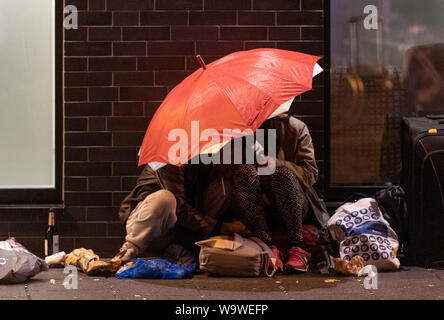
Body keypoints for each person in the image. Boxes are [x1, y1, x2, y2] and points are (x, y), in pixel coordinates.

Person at [231, 113, 329, 273]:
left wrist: (273, 163)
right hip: (254, 206)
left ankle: (298, 247)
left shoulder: (295, 129)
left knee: (280, 173)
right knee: (244, 172)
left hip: (294, 204)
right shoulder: (238, 132)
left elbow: (310, 175)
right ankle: (267, 245)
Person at [117, 160, 249, 264]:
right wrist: (222, 227)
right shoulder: (170, 160)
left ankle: (182, 249)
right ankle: (128, 250)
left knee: (223, 186)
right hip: (149, 225)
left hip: (174, 232)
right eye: (232, 165)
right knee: (165, 198)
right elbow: (181, 209)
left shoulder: (203, 166)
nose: (230, 172)